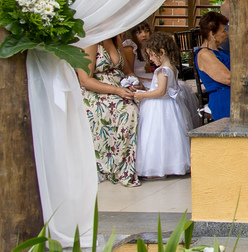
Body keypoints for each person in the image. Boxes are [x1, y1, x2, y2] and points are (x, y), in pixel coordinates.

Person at [78, 36, 141, 186]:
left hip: (120, 87)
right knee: (129, 110)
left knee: (149, 103)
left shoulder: (115, 37)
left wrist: (134, 81)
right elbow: (85, 80)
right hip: (97, 92)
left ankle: (147, 164)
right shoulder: (91, 41)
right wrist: (116, 90)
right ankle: (120, 168)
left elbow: (126, 70)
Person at [133, 33, 193, 178]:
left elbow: (160, 91)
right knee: (171, 135)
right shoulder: (172, 67)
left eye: (152, 55)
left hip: (159, 108)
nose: (151, 59)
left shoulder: (162, 70)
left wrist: (142, 95)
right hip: (170, 107)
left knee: (157, 136)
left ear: (161, 52)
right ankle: (172, 163)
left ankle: (157, 166)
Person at [195, 11, 231, 122]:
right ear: (212, 34)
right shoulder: (204, 54)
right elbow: (228, 78)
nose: (226, 33)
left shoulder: (220, 51)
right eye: (223, 30)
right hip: (225, 100)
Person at [121, 20, 155, 89]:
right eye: (139, 32)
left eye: (146, 31)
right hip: (136, 80)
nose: (144, 35)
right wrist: (147, 80)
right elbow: (128, 74)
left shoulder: (145, 47)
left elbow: (147, 68)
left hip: (145, 76)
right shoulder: (130, 49)